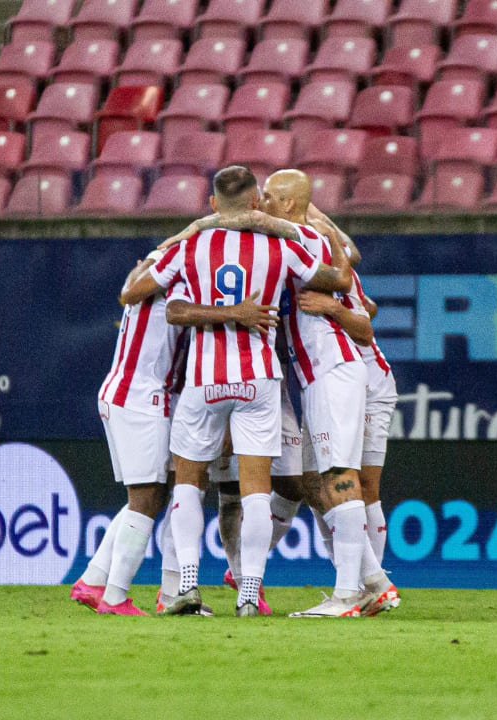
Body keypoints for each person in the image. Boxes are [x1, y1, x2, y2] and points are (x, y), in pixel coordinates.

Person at [122, 165, 352, 617]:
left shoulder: (191, 247)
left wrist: (170, 244)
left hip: (204, 381)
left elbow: (135, 293)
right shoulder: (281, 246)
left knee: (189, 485)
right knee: (255, 492)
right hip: (259, 379)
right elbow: (337, 279)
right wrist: (329, 239)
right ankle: (249, 592)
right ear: (254, 203)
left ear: (211, 205)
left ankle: (186, 585)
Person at [73, 211, 300, 616]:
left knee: (161, 491)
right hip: (143, 396)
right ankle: (125, 594)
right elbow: (180, 312)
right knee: (157, 494)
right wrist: (237, 312)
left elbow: (137, 287)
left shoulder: (156, 270)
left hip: (132, 392)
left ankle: (98, 580)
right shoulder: (181, 277)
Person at [256, 170, 394, 618]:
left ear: (291, 205)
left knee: (340, 476)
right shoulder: (307, 236)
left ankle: (349, 594)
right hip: (319, 373)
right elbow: (347, 259)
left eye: (270, 197)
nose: (263, 203)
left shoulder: (302, 235)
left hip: (331, 369)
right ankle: (368, 586)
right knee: (329, 478)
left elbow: (343, 268)